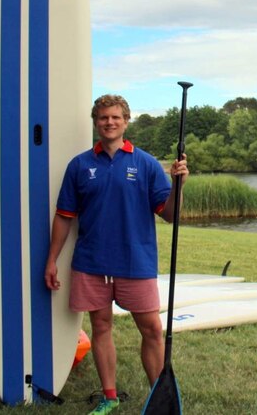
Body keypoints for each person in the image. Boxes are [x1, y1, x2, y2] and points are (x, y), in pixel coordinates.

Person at [45, 94, 188, 415]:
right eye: (103, 118)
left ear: (126, 121)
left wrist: (178, 185)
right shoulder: (80, 165)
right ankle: (109, 396)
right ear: (96, 122)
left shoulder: (146, 164)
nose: (109, 123)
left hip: (135, 262)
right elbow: (64, 215)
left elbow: (169, 214)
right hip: (91, 263)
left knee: (151, 329)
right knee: (101, 327)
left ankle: (158, 398)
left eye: (115, 118)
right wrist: (52, 259)